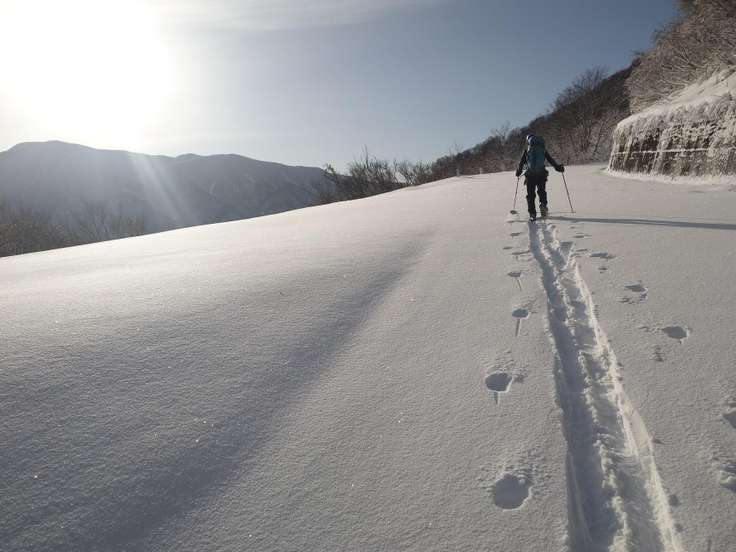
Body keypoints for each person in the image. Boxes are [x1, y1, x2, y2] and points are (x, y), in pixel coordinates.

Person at [515, 134, 564, 220]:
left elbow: (521, 163)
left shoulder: (527, 150)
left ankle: (532, 213)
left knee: (530, 195)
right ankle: (543, 205)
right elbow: (550, 160)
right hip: (541, 174)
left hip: (530, 176)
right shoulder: (543, 150)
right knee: (542, 191)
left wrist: (519, 171)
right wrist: (557, 167)